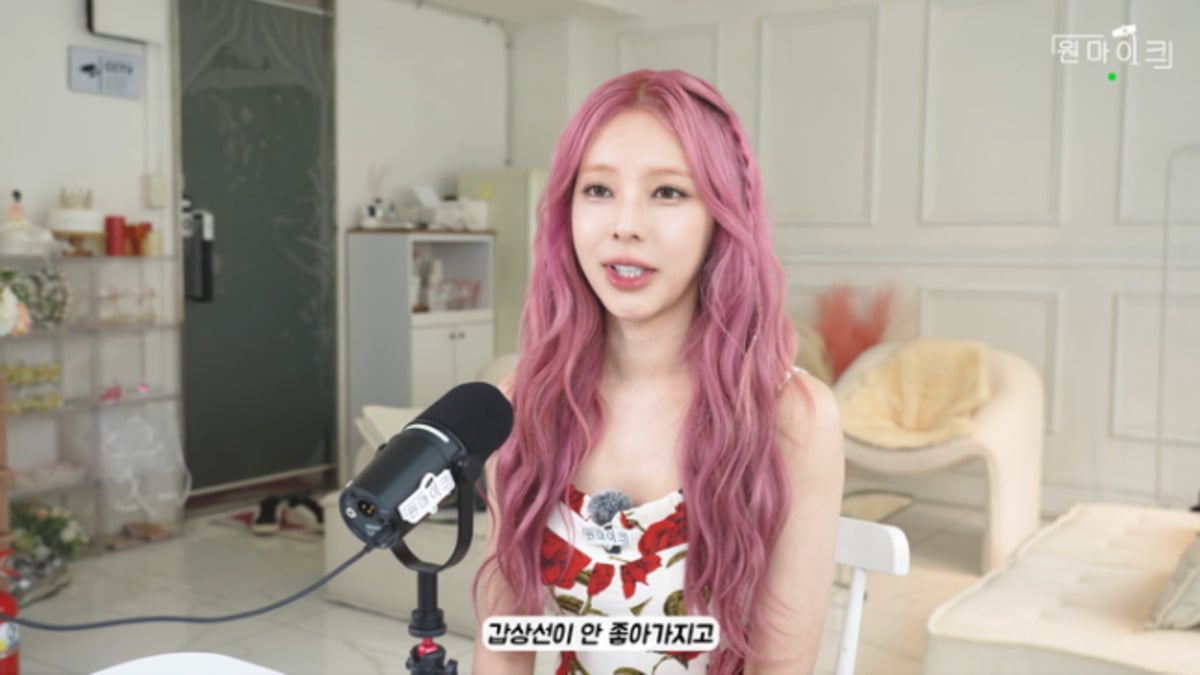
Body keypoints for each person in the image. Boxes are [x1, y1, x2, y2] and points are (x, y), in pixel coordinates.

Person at [473, 69, 845, 675]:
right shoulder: (523, 405)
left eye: (667, 192)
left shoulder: (791, 417)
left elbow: (782, 666)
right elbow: (503, 647)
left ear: (722, 217)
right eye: (598, 189)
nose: (625, 225)